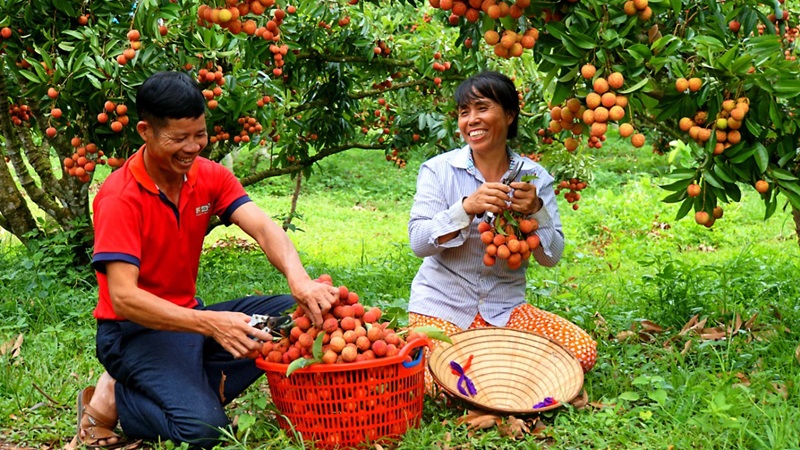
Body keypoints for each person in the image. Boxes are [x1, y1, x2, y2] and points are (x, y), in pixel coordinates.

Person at [68, 71, 339, 449]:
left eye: (199, 135)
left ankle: (183, 386)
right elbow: (124, 298)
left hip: (188, 325)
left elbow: (262, 227)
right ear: (145, 131)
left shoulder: (206, 175)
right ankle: (116, 395)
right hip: (133, 333)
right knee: (204, 431)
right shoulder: (120, 198)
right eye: (178, 138)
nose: (192, 147)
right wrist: (210, 324)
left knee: (293, 317)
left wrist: (301, 280)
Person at [407, 71, 597, 385]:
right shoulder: (439, 170)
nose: (471, 120)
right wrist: (466, 208)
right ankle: (503, 374)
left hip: (505, 311)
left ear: (509, 114)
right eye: (464, 113)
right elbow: (418, 242)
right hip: (442, 308)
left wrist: (538, 212)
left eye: (482, 108)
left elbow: (551, 257)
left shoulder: (533, 177)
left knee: (581, 352)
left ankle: (493, 371)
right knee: (434, 380)